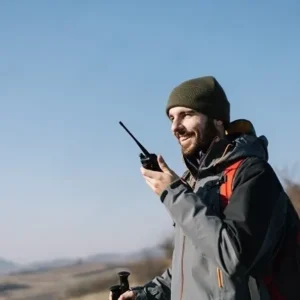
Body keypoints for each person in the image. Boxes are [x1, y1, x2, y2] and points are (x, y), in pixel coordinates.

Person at [112, 76, 299, 300]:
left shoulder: (252, 173)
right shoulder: (191, 183)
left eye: (186, 115)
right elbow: (194, 267)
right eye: (171, 118)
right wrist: (146, 294)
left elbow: (235, 257)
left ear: (217, 120)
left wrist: (173, 193)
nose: (175, 127)